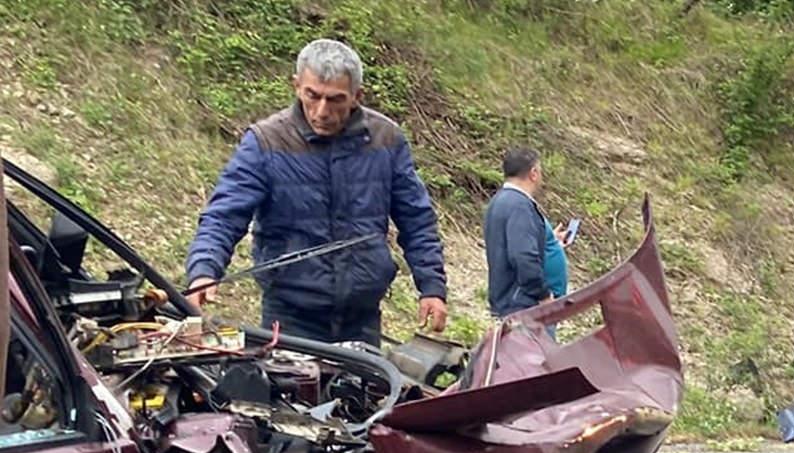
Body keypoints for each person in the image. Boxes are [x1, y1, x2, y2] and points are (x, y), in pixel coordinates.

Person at [184, 39, 448, 346]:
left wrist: (432, 286)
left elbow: (416, 219)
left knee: (363, 394)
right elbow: (224, 216)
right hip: (290, 315)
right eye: (313, 96)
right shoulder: (266, 141)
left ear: (356, 97)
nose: (322, 111)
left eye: (335, 99)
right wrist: (204, 268)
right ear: (297, 86)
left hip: (362, 316)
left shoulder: (385, 139)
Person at [483, 147, 550, 317]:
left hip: (504, 301)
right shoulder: (520, 206)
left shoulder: (498, 201)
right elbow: (523, 255)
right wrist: (542, 294)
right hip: (520, 304)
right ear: (533, 173)